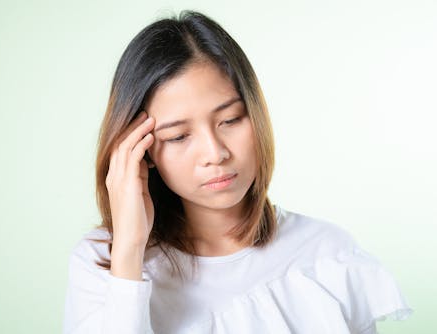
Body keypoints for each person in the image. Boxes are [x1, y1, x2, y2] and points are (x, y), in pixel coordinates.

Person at [62, 10, 412, 334]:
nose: (215, 153)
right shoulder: (101, 263)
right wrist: (130, 250)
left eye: (230, 120)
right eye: (179, 136)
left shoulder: (327, 255)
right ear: (142, 150)